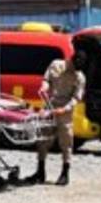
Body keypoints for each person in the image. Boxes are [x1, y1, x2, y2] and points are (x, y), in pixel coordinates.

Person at [27, 51, 87, 186]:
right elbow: (46, 79)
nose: (74, 70)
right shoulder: (55, 65)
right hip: (50, 105)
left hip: (65, 110)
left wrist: (64, 109)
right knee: (42, 139)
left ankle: (65, 173)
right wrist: (45, 86)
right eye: (73, 66)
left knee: (66, 141)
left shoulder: (80, 77)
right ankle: (40, 171)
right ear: (70, 60)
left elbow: (77, 98)